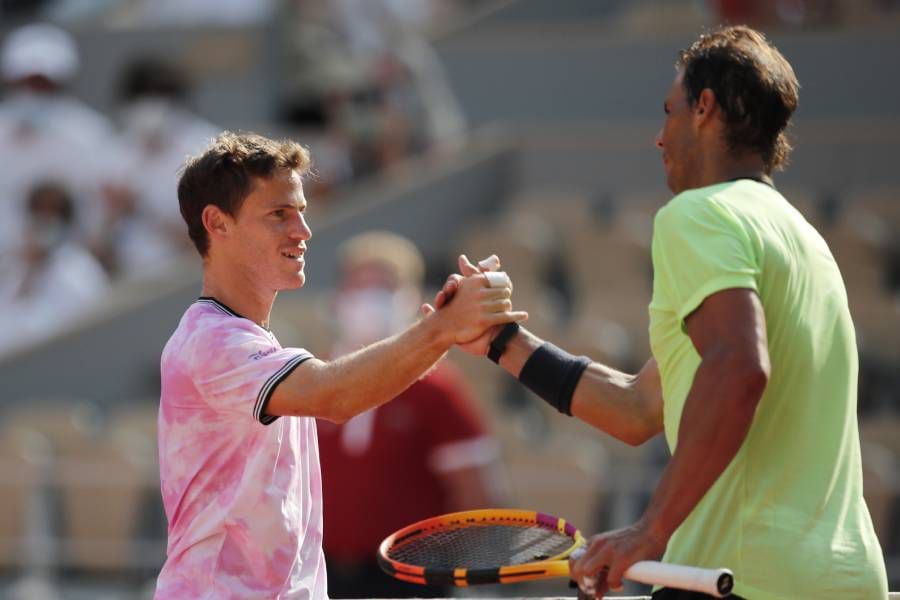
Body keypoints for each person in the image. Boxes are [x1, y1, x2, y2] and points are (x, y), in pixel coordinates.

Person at [437, 25, 888, 599]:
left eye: (669, 111)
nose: (658, 136)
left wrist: (651, 531)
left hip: (742, 578)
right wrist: (503, 343)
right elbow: (639, 408)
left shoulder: (698, 214)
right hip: (846, 579)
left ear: (705, 108)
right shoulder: (805, 239)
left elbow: (739, 369)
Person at [155, 131, 526, 598]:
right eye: (279, 215)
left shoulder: (243, 340)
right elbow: (335, 395)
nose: (303, 231)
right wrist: (444, 328)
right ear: (217, 223)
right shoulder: (211, 342)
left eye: (302, 213)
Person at [318, 231, 505, 598]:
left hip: (407, 581)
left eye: (384, 288)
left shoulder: (436, 388)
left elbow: (475, 493)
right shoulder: (315, 382)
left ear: (410, 298)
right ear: (339, 299)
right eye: (359, 287)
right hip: (322, 574)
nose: (368, 300)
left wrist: (455, 577)